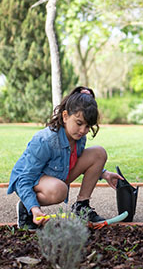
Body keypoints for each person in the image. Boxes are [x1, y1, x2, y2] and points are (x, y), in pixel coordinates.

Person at [8, 86, 122, 230]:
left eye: (87, 126)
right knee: (60, 190)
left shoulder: (79, 137)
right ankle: (26, 208)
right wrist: (34, 208)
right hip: (31, 179)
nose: (83, 131)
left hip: (57, 174)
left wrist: (104, 174)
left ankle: (82, 207)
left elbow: (76, 159)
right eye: (79, 123)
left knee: (99, 152)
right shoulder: (45, 140)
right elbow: (25, 179)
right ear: (65, 116)